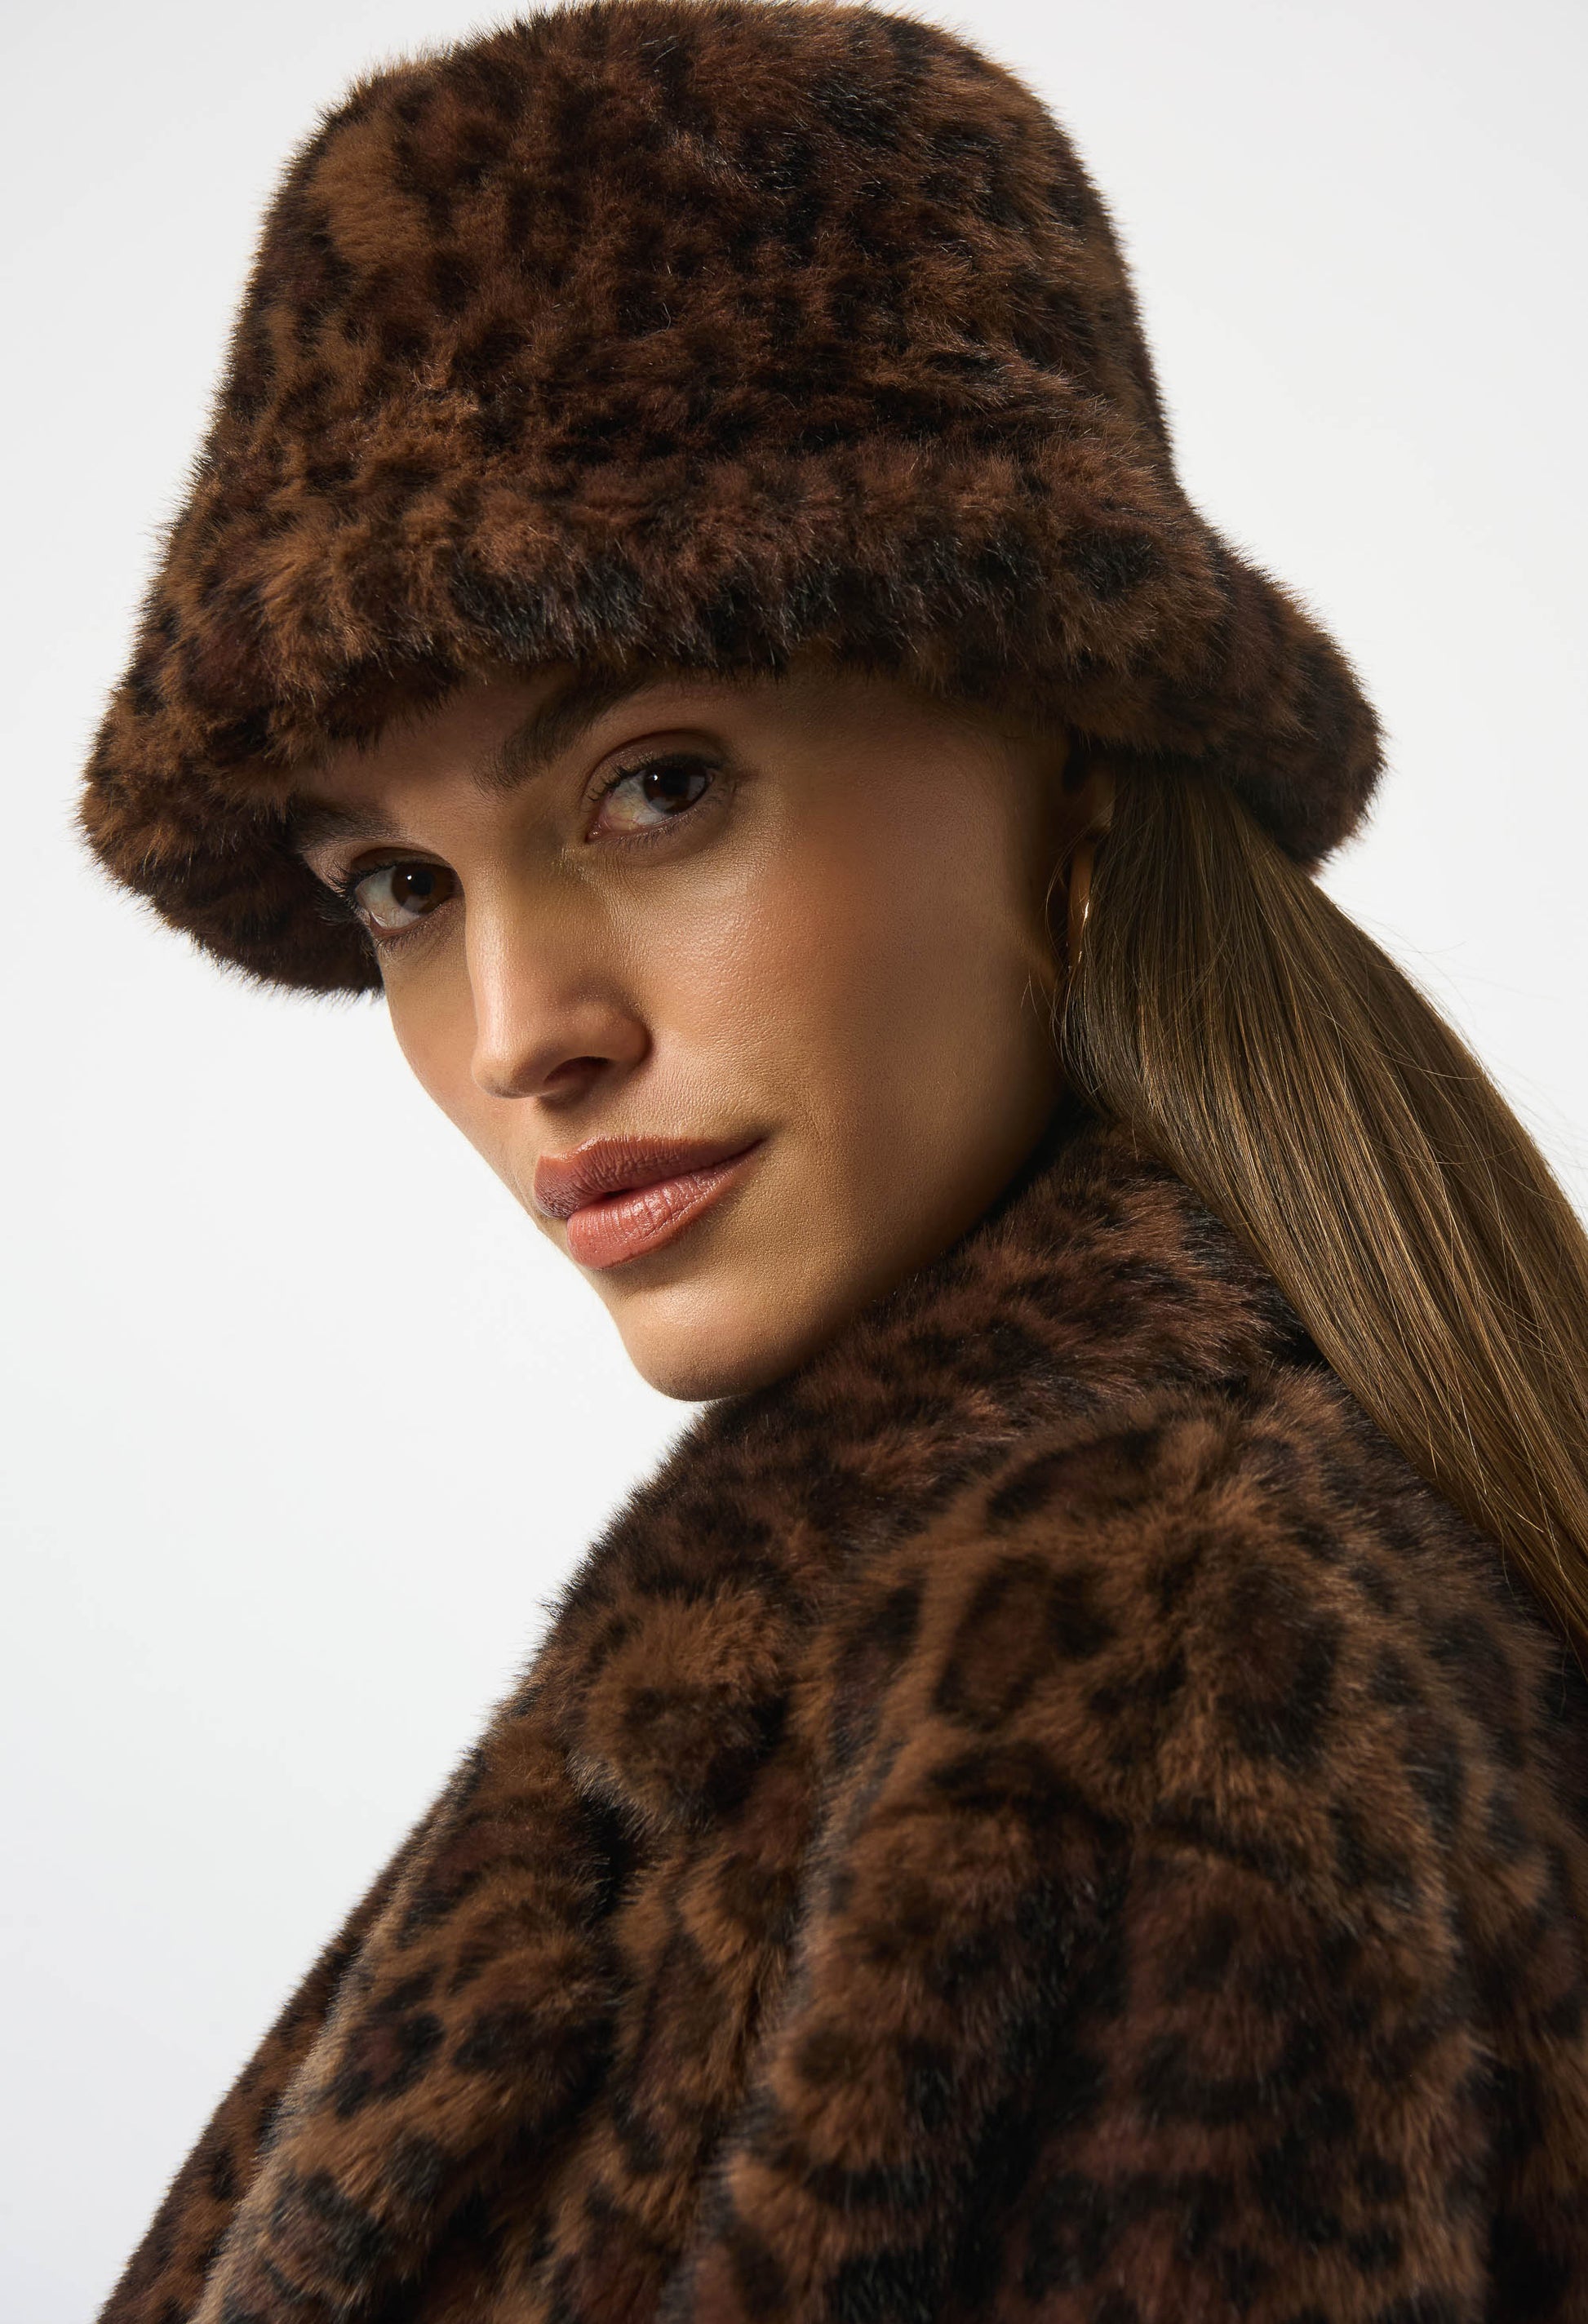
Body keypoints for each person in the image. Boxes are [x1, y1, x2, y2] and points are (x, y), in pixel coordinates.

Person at [82, 4, 1588, 2319]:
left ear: (1071, 758)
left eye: (657, 783)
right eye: (398, 886)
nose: (519, 1031)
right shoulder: (889, 1663)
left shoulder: (1164, 1667)